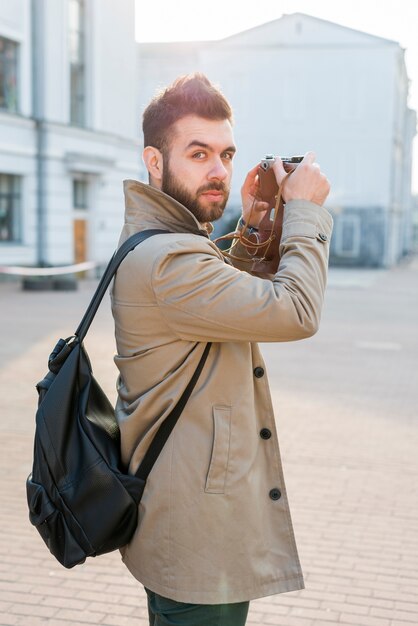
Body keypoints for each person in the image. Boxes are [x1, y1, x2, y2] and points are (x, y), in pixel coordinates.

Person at [111, 73, 332, 626]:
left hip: (192, 524)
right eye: (198, 152)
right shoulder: (167, 261)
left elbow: (218, 308)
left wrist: (254, 221)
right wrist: (304, 211)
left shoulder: (172, 244)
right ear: (154, 161)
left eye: (227, 153)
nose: (219, 171)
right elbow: (294, 311)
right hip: (198, 543)